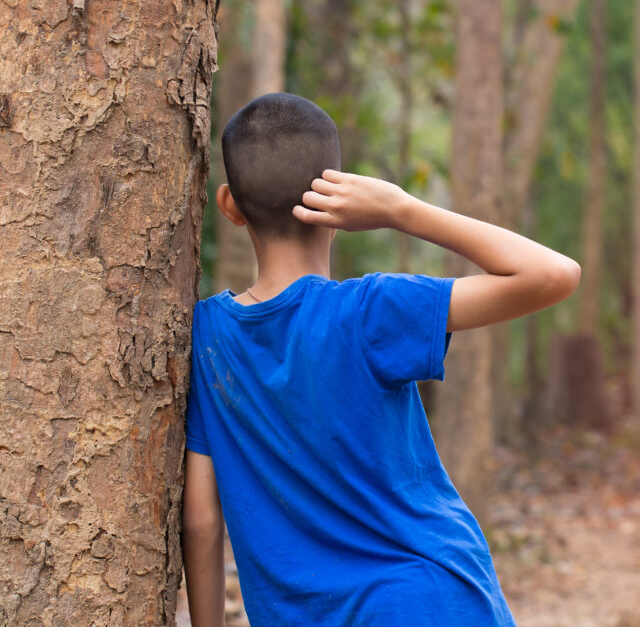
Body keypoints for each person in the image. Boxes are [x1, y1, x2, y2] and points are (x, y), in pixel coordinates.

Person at [181, 91, 580, 627]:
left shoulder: (208, 339)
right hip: (435, 601)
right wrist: (401, 210)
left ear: (229, 205)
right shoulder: (370, 312)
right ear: (342, 199)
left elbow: (202, 522)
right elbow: (553, 275)